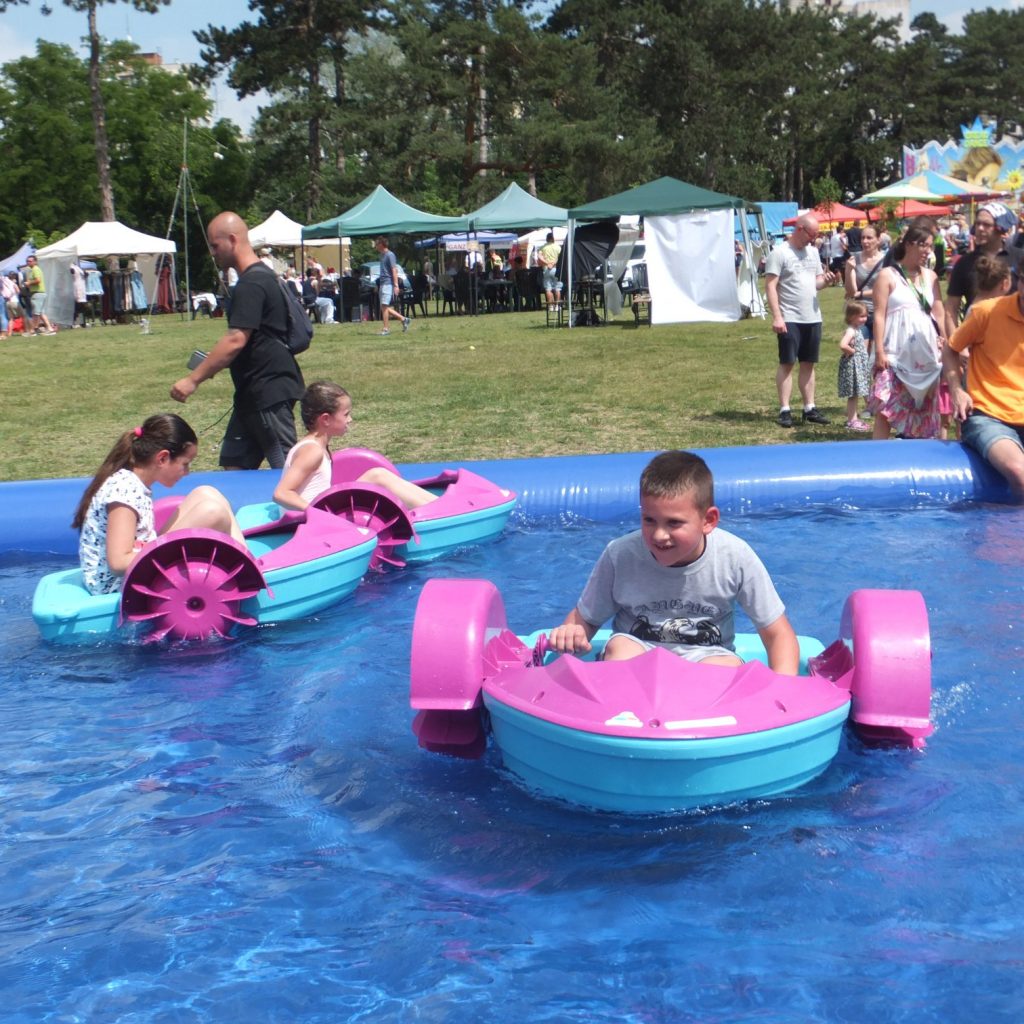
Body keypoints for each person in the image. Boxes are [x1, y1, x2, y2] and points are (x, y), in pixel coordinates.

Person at [546, 450, 799, 673]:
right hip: (638, 651)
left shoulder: (734, 557)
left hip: (708, 656)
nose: (659, 535)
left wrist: (782, 689)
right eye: (649, 520)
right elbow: (586, 618)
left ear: (708, 520)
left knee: (723, 667)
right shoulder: (620, 555)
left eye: (674, 523)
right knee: (621, 648)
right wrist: (573, 632)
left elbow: (777, 634)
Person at [170, 211, 305, 470]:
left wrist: (192, 379)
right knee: (234, 467)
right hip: (251, 393)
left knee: (289, 471)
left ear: (232, 240)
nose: (213, 253)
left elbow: (235, 340)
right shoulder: (259, 278)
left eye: (215, 245)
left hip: (267, 391)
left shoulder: (252, 283)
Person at [72, 414, 244, 596]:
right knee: (213, 513)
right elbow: (118, 563)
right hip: (115, 586)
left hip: (137, 564)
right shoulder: (123, 492)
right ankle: (243, 569)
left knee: (207, 492)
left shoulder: (133, 482)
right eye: (185, 464)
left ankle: (245, 559)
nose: (187, 472)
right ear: (162, 458)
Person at [272, 381, 438, 511]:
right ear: (326, 419)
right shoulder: (312, 451)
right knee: (377, 476)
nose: (350, 419)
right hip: (311, 519)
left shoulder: (316, 446)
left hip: (318, 511)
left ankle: (438, 505)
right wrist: (315, 512)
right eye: (346, 414)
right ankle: (438, 509)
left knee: (378, 475)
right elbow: (281, 493)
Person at [943, 272, 1024, 500]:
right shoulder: (986, 312)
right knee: (1019, 472)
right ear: (1019, 282)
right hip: (988, 414)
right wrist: (957, 390)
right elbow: (950, 349)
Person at [869, 223, 944, 441]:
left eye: (930, 246)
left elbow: (939, 312)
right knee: (886, 405)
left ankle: (919, 455)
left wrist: (945, 339)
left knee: (924, 410)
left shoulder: (931, 277)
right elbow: (879, 315)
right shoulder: (888, 275)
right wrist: (880, 350)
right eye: (924, 246)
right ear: (910, 244)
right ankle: (877, 454)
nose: (928, 251)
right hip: (894, 351)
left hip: (925, 352)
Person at [764, 214, 837, 428]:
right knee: (787, 363)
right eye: (811, 235)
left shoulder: (813, 252)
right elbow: (770, 286)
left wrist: (826, 281)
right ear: (799, 229)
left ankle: (809, 408)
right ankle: (785, 410)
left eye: (816, 235)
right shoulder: (779, 253)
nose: (813, 239)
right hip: (789, 317)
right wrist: (777, 316)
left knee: (808, 363)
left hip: (812, 317)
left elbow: (817, 282)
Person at [943, 203, 1017, 338]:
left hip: (1014, 341)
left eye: (986, 224)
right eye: (977, 224)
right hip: (977, 340)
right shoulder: (965, 263)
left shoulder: (1018, 258)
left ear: (1000, 228)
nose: (980, 228)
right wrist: (956, 343)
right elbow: (951, 308)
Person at [844, 223, 884, 341]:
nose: (865, 241)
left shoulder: (886, 261)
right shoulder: (854, 259)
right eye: (862, 238)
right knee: (860, 350)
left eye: (869, 238)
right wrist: (848, 270)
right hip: (859, 313)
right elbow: (851, 291)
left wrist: (861, 293)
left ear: (878, 240)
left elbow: (886, 290)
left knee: (879, 349)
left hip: (880, 312)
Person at [838, 300, 872, 432]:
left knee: (856, 393)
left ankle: (854, 419)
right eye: (862, 316)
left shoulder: (857, 329)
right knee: (853, 394)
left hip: (858, 366)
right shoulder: (851, 331)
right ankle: (852, 420)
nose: (865, 318)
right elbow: (843, 345)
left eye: (866, 315)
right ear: (852, 317)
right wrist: (852, 351)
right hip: (853, 367)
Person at [374, 236, 410, 336]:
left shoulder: (390, 255)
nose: (375, 246)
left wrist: (396, 285)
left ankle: (386, 329)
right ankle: (404, 319)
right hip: (383, 283)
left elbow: (394, 270)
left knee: (384, 306)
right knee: (384, 307)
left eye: (376, 244)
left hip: (388, 283)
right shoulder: (382, 255)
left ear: (381, 244)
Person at [23, 254, 56, 336]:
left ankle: (33, 331)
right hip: (39, 293)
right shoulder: (32, 270)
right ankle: (50, 329)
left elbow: (38, 280)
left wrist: (29, 283)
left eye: (30, 261)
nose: (28, 262)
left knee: (36, 313)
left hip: (37, 293)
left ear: (35, 262)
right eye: (27, 261)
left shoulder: (35, 269)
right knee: (41, 313)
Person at [537, 231, 562, 311]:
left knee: (548, 289)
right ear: (553, 239)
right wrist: (553, 263)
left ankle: (550, 306)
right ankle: (557, 306)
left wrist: (547, 263)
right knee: (557, 288)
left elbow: (539, 257)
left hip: (546, 269)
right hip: (556, 269)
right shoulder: (558, 247)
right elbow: (560, 258)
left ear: (546, 239)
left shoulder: (542, 247)